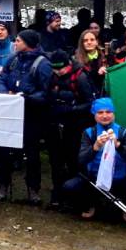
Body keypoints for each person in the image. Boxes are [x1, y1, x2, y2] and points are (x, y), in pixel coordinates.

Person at [56, 97, 126, 221]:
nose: (105, 116)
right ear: (94, 115)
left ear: (114, 113)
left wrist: (118, 146)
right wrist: (95, 147)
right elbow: (81, 160)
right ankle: (89, 205)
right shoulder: (89, 133)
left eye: (108, 112)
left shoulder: (124, 133)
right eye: (100, 112)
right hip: (94, 180)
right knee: (69, 187)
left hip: (120, 179)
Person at [0, 29, 53, 204]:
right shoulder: (13, 60)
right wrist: (6, 94)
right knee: (3, 150)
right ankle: (2, 185)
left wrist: (26, 98)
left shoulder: (42, 64)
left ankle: (33, 189)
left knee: (32, 153)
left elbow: (46, 92)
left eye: (18, 40)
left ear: (27, 43)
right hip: (11, 112)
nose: (15, 43)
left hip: (32, 114)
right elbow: (2, 79)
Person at [47, 49, 96, 204]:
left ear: (68, 64)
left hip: (76, 126)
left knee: (74, 161)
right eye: (55, 68)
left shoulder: (80, 77)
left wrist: (71, 109)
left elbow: (91, 104)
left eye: (61, 68)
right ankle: (57, 194)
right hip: (56, 124)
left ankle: (75, 197)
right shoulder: (52, 77)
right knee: (56, 161)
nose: (58, 71)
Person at [72, 29, 108, 98]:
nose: (89, 42)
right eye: (85, 40)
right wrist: (97, 74)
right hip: (85, 98)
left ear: (97, 42)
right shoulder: (75, 60)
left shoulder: (106, 56)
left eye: (92, 40)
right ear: (82, 43)